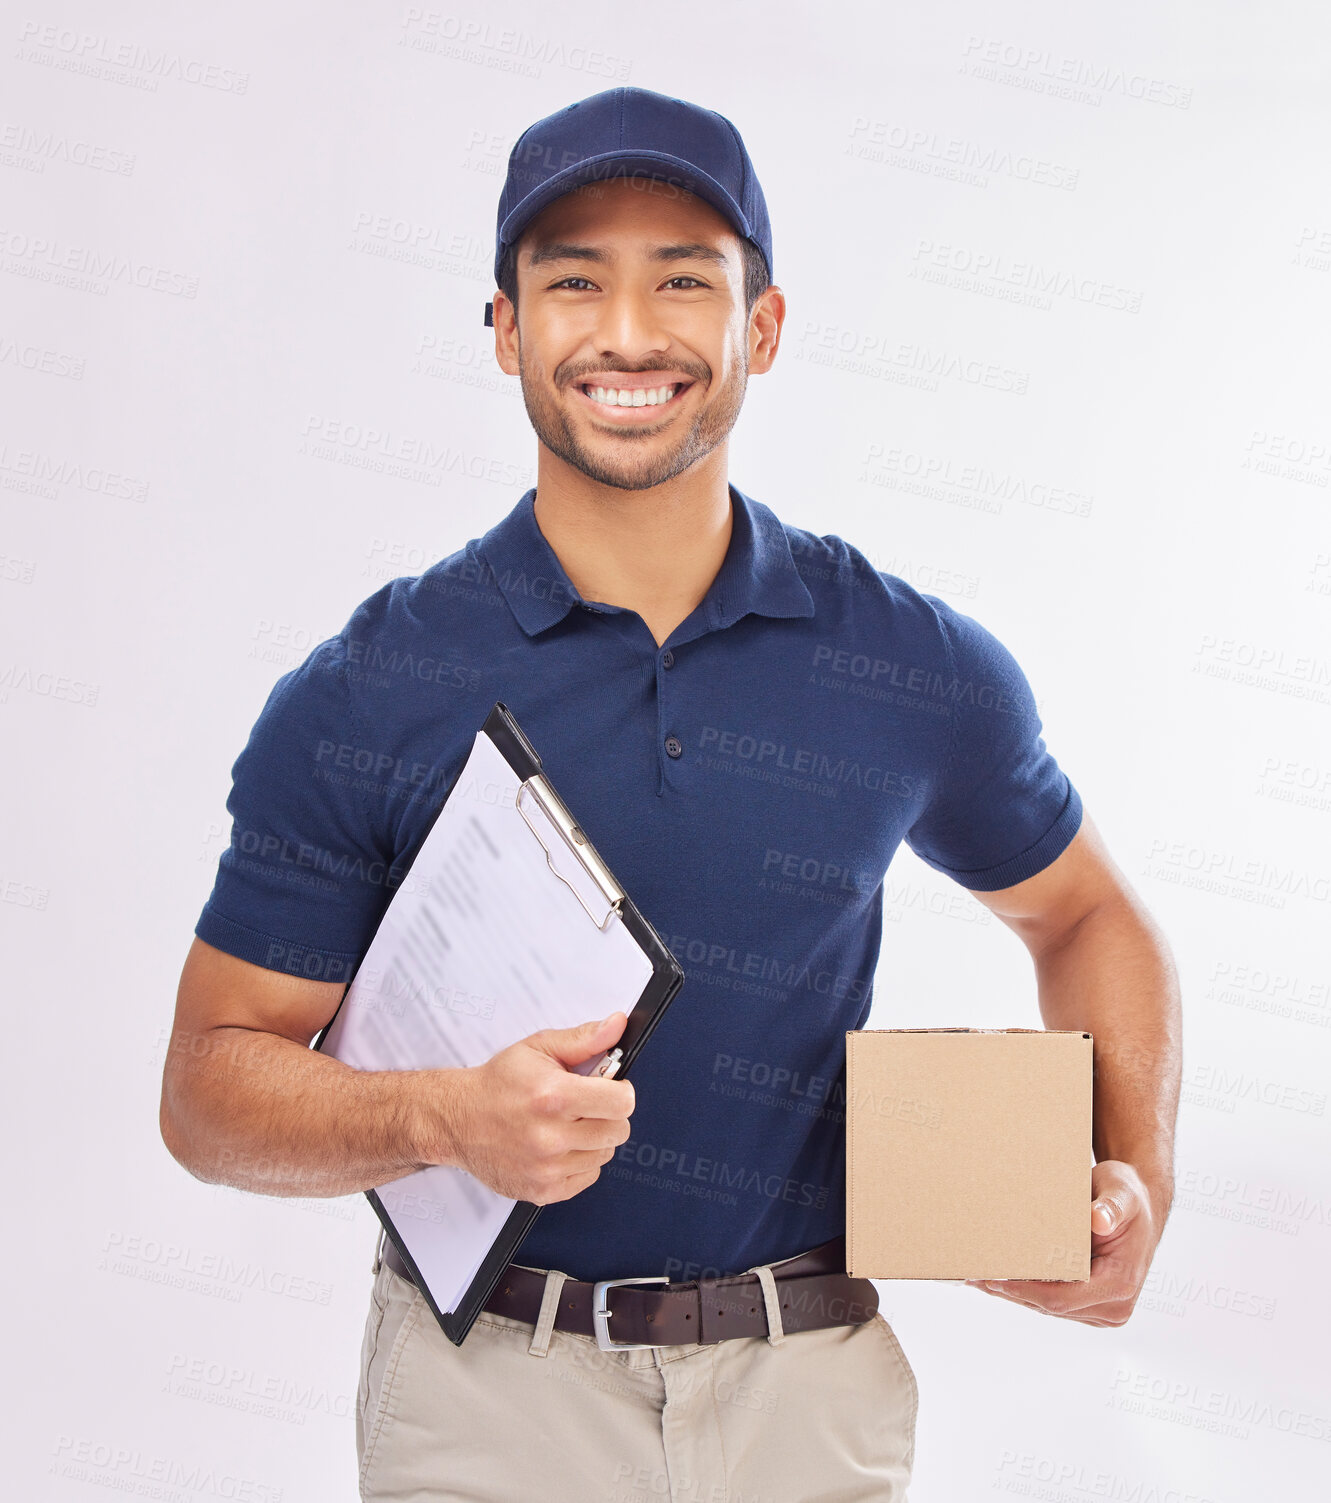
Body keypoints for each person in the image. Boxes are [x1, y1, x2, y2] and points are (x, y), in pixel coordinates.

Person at [159, 86, 1181, 1502]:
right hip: (481, 1407)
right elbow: (208, 1090)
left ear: (760, 328)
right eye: (573, 282)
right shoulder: (370, 687)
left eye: (683, 281)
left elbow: (1084, 915)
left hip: (808, 1391)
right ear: (508, 330)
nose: (629, 334)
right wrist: (447, 1118)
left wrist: (1136, 1180)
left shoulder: (906, 664)